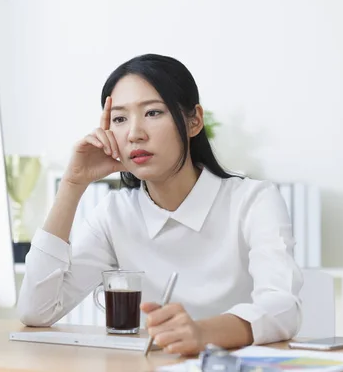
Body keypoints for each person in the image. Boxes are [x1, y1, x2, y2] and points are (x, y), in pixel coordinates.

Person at [17, 54, 303, 355]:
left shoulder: (253, 201)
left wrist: (201, 333)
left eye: (153, 113)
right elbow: (37, 311)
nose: (135, 133)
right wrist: (73, 185)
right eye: (119, 119)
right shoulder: (115, 214)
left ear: (193, 121)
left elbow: (283, 307)